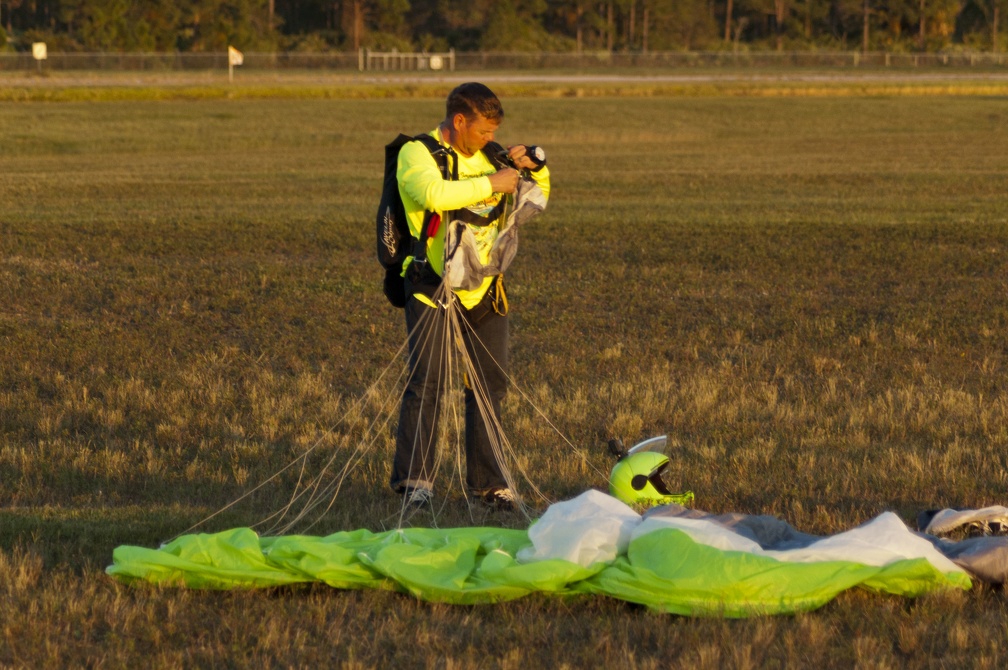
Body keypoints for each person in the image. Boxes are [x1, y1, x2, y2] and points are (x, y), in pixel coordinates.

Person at [391, 82, 551, 510]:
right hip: (433, 289)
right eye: (482, 132)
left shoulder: (490, 155)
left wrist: (535, 162)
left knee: (489, 386)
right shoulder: (418, 154)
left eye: (493, 133)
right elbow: (433, 195)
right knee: (428, 384)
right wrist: (490, 182)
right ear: (459, 121)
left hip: (485, 290)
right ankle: (415, 484)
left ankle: (490, 485)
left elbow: (538, 194)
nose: (488, 139)